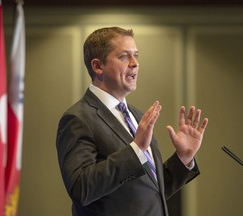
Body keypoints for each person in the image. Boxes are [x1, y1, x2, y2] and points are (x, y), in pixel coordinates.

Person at [56, 26, 208, 216]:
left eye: (136, 55)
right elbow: (81, 188)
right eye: (124, 56)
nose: (135, 63)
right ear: (98, 66)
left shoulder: (136, 116)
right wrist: (136, 150)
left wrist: (183, 158)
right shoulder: (78, 118)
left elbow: (149, 193)